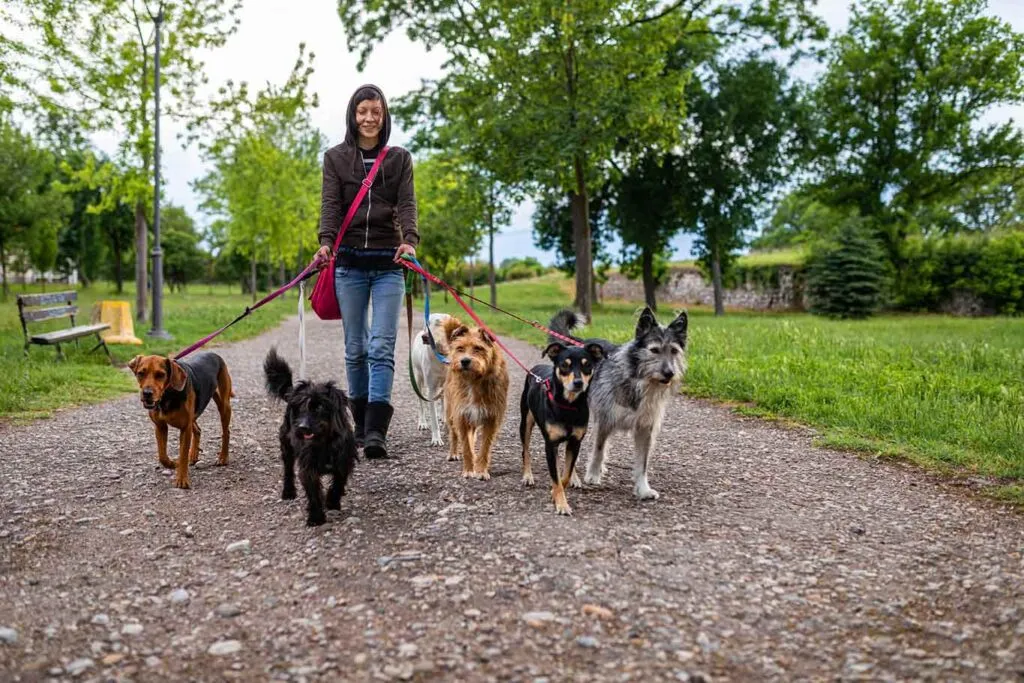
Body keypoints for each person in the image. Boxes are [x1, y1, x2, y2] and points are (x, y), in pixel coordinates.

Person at [316, 84, 418, 460]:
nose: (369, 118)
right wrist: (326, 241)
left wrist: (410, 240)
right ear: (352, 115)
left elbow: (407, 204)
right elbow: (330, 204)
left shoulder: (399, 159)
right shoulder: (336, 159)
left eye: (376, 112)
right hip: (349, 264)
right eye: (363, 111)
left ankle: (375, 430)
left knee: (381, 346)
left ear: (384, 115)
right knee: (356, 348)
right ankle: (357, 425)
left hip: (389, 265)